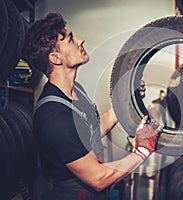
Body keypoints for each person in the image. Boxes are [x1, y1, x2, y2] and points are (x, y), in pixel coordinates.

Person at [22, 13, 162, 200]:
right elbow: (98, 178)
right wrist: (142, 150)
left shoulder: (75, 91)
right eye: (71, 39)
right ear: (55, 58)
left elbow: (93, 129)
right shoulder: (53, 116)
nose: (81, 40)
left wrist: (126, 100)